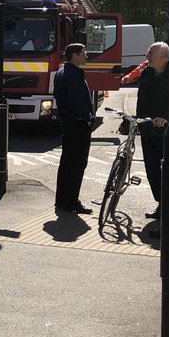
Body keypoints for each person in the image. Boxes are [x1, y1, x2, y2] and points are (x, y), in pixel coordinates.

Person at [53, 42, 95, 214]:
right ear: (75, 55)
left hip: (67, 123)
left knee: (66, 163)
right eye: (83, 53)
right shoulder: (74, 75)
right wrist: (87, 118)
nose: (86, 56)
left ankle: (61, 200)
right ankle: (72, 201)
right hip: (77, 124)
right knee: (77, 164)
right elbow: (78, 100)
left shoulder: (61, 71)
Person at [134, 41, 169, 227]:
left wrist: (166, 117)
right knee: (151, 170)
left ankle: (168, 206)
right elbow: (141, 98)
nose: (147, 56)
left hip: (164, 132)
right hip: (147, 129)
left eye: (151, 53)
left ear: (163, 57)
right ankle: (160, 203)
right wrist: (135, 120)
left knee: (167, 171)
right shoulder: (147, 73)